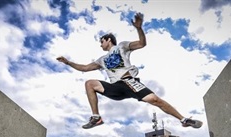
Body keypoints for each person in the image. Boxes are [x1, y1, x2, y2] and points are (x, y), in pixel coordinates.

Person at [56, 13, 203, 129]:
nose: (100, 45)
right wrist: (68, 62)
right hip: (115, 87)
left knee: (155, 100)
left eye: (101, 41)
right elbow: (85, 68)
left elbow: (141, 43)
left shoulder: (121, 46)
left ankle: (184, 120)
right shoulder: (101, 60)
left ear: (108, 40)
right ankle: (96, 117)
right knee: (89, 83)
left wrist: (139, 28)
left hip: (130, 82)